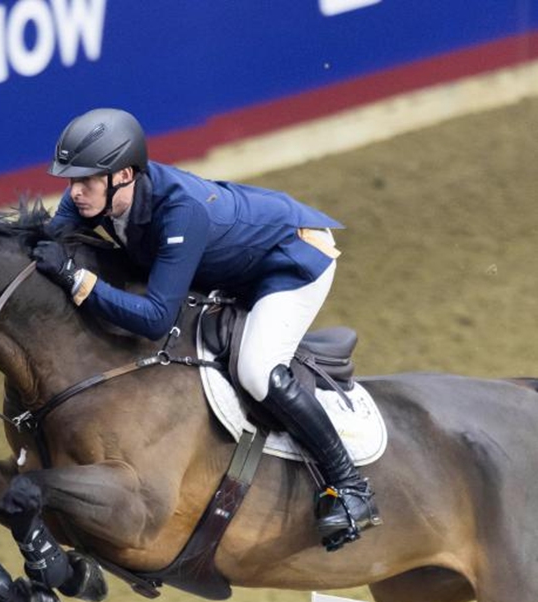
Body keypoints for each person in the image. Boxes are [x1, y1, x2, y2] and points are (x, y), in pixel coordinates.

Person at [31, 107, 379, 551]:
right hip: (229, 268)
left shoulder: (180, 212)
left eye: (87, 181)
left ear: (124, 175)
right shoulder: (87, 198)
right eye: (71, 180)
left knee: (256, 369)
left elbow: (156, 316)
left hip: (289, 261)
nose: (74, 193)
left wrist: (78, 281)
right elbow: (45, 246)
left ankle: (349, 485)